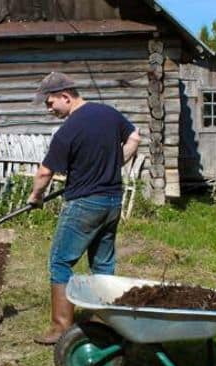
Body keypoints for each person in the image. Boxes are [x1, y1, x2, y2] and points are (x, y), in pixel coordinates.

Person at [28, 72, 141, 345]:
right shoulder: (109, 114)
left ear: (66, 97)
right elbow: (135, 137)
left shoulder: (68, 130)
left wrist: (35, 196)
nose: (49, 109)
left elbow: (45, 173)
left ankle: (60, 328)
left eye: (50, 103)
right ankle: (101, 322)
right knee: (102, 263)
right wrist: (116, 166)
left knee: (60, 261)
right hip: (113, 201)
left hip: (84, 203)